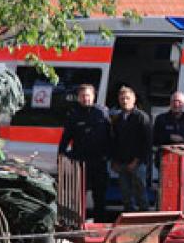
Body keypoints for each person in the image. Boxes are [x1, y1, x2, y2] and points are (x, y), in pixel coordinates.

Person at [58, 84, 111, 222]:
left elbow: (111, 136)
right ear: (78, 98)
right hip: (81, 161)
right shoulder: (73, 115)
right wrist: (61, 155)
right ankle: (79, 222)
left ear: (93, 97)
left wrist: (110, 155)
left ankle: (100, 223)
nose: (85, 98)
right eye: (83, 96)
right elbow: (65, 137)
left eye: (88, 95)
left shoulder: (103, 113)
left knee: (99, 195)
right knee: (79, 195)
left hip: (99, 161)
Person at [110, 85, 152, 213]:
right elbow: (114, 141)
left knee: (140, 192)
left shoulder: (142, 117)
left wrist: (136, 161)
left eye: (127, 98)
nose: (124, 101)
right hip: (122, 163)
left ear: (134, 99)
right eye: (122, 98)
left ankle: (144, 217)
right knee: (125, 194)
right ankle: (129, 217)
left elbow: (147, 142)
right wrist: (114, 161)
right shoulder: (117, 119)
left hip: (138, 163)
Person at [153, 90, 184, 213]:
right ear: (170, 103)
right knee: (167, 195)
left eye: (179, 101)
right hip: (167, 162)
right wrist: (170, 137)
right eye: (174, 101)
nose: (176, 104)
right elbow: (155, 139)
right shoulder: (161, 119)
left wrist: (183, 140)